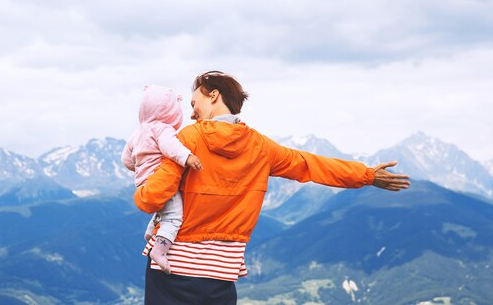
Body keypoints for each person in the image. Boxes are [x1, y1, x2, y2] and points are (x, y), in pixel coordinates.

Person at [133, 71, 411, 304]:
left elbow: (152, 199)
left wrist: (142, 184)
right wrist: (366, 175)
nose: (192, 114)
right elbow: (309, 164)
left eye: (194, 104)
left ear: (213, 94)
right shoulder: (260, 147)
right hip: (221, 273)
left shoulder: (187, 139)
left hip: (171, 268)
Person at [122, 84, 203, 274]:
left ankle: (151, 230)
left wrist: (139, 169)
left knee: (164, 206)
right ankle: (159, 251)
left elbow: (125, 159)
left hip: (142, 182)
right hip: (160, 180)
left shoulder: (137, 133)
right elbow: (170, 147)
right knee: (174, 217)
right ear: (170, 112)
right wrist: (187, 157)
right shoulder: (162, 129)